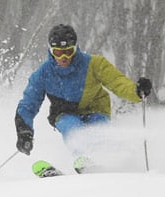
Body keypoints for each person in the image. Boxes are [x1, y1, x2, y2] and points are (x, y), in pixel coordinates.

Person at [14, 24, 152, 171]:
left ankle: (107, 164)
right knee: (73, 128)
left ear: (75, 48)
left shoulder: (94, 64)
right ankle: (83, 160)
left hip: (95, 109)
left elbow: (117, 82)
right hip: (64, 112)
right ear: (51, 51)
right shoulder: (43, 73)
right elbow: (29, 104)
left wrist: (136, 91)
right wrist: (24, 131)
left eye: (68, 52)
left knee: (98, 131)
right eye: (58, 53)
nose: (64, 58)